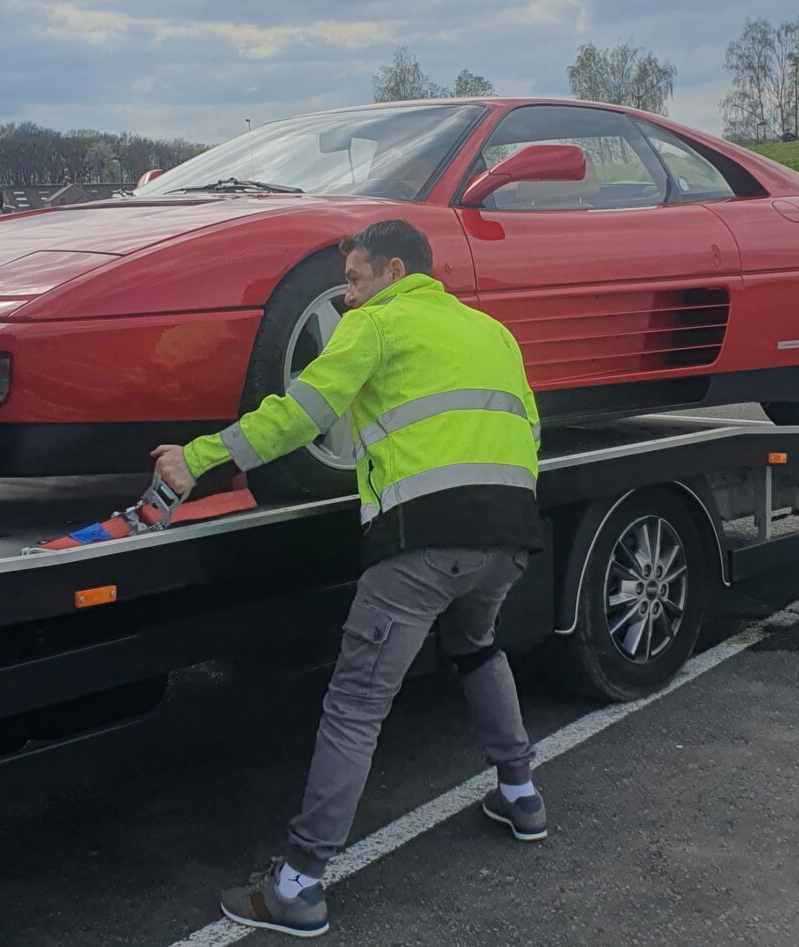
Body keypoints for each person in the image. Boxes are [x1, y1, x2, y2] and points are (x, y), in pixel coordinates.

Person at [153, 219, 545, 938]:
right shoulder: (493, 333)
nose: (347, 297)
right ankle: (521, 793)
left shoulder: (378, 325)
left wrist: (200, 456)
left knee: (357, 703)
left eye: (356, 279)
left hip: (422, 543)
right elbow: (530, 428)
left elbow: (301, 413)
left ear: (395, 269)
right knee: (478, 643)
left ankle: (299, 883)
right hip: (511, 534)